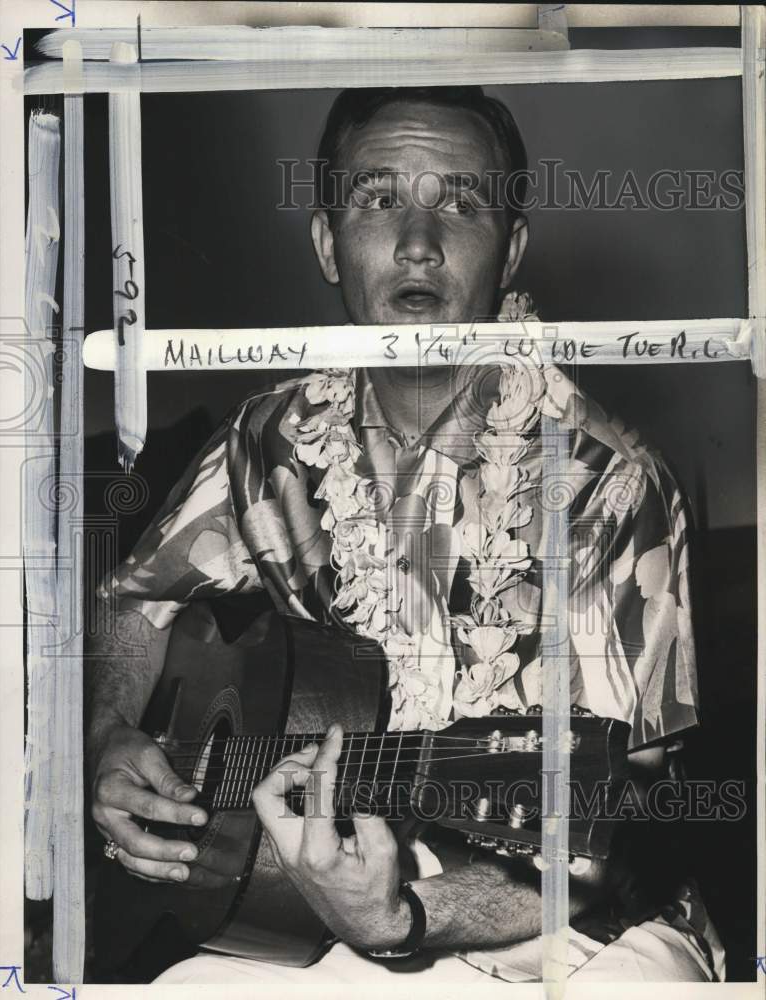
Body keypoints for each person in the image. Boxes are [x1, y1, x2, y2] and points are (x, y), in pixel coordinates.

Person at [86, 86, 724, 983]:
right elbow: (136, 604)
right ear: (326, 244)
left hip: (570, 928)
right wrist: (108, 734)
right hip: (304, 903)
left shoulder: (608, 482)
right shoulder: (265, 437)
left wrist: (400, 917)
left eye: (460, 204)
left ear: (510, 249)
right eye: (379, 199)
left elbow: (614, 828)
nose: (418, 242)